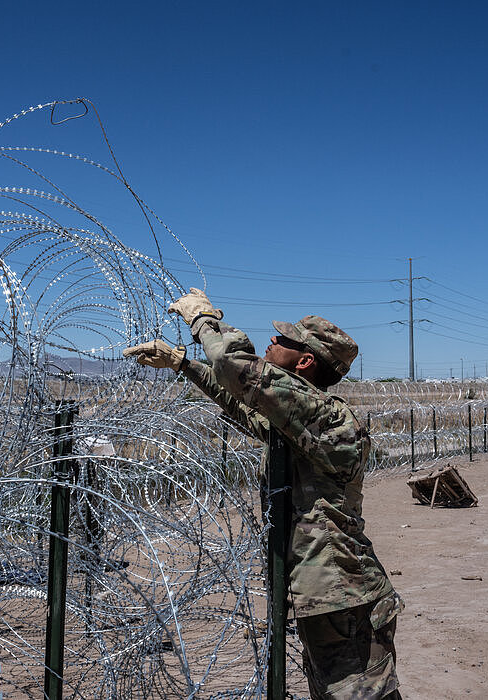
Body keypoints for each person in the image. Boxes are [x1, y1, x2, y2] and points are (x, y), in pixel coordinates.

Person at [124, 288, 403, 699]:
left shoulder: (326, 417)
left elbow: (230, 364)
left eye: (284, 340)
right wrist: (184, 364)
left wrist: (205, 319)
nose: (273, 341)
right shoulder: (299, 423)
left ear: (305, 361)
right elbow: (242, 402)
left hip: (345, 596)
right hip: (327, 595)